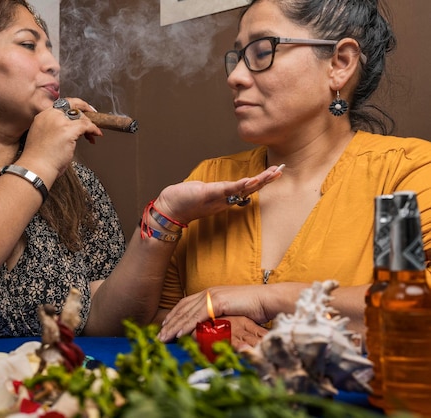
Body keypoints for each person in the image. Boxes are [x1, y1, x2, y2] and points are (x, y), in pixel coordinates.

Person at [0, 0, 282, 355]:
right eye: (28, 44)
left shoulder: (76, 186)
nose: (53, 64)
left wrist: (164, 218)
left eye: (50, 47)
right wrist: (38, 163)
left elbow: (107, 319)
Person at [156, 0, 431, 349]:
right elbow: (159, 315)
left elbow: (420, 309)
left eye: (261, 51)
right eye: (238, 56)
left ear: (339, 63)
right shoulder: (210, 180)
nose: (235, 76)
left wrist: (266, 300)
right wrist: (211, 328)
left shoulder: (407, 173)